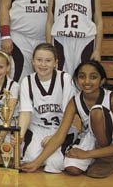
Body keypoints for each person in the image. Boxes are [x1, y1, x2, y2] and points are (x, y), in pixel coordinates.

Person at [22, 60, 113, 178]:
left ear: (102, 81)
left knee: (97, 113)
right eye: (82, 77)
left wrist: (86, 154)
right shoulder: (74, 101)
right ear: (76, 80)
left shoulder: (112, 99)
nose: (87, 81)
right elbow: (60, 136)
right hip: (91, 137)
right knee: (72, 168)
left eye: (93, 77)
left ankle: (106, 160)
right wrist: (36, 163)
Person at [18, 43, 76, 173]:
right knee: (30, 159)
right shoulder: (26, 81)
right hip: (37, 129)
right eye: (39, 60)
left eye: (48, 61)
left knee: (54, 164)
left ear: (56, 62)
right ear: (33, 62)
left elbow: (69, 114)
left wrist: (55, 136)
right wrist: (20, 136)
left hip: (61, 129)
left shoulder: (65, 79)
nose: (43, 64)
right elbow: (25, 112)